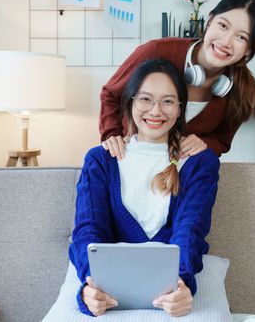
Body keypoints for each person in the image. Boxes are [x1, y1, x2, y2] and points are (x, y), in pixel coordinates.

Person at [69, 58, 220, 317]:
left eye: (168, 101)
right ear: (130, 102)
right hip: (106, 286)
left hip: (175, 287)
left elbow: (190, 230)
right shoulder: (101, 159)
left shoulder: (199, 162)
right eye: (146, 99)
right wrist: (89, 285)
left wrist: (181, 284)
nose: (155, 111)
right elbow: (88, 229)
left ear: (180, 108)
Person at [100, 0, 255, 159]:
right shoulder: (156, 51)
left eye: (241, 37)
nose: (225, 42)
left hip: (179, 174)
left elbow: (222, 141)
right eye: (223, 26)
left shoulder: (242, 91)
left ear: (248, 50)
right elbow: (111, 94)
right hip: (130, 158)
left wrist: (204, 143)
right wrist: (112, 136)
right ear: (209, 21)